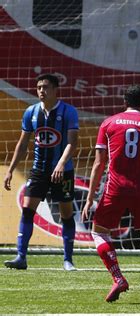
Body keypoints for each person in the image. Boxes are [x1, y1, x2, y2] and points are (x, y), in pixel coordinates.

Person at [81, 85, 140, 304]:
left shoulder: (109, 123)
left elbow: (98, 164)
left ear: (124, 102)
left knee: (99, 233)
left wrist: (90, 198)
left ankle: (118, 278)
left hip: (115, 188)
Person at [3, 74, 78, 271]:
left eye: (45, 87)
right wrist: (10, 170)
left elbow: (72, 142)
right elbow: (22, 144)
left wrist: (61, 164)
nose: (41, 91)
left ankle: (68, 259)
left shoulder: (69, 112)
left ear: (55, 90)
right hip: (39, 170)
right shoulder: (31, 112)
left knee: (66, 213)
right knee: (28, 210)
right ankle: (21, 257)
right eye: (38, 88)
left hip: (63, 171)